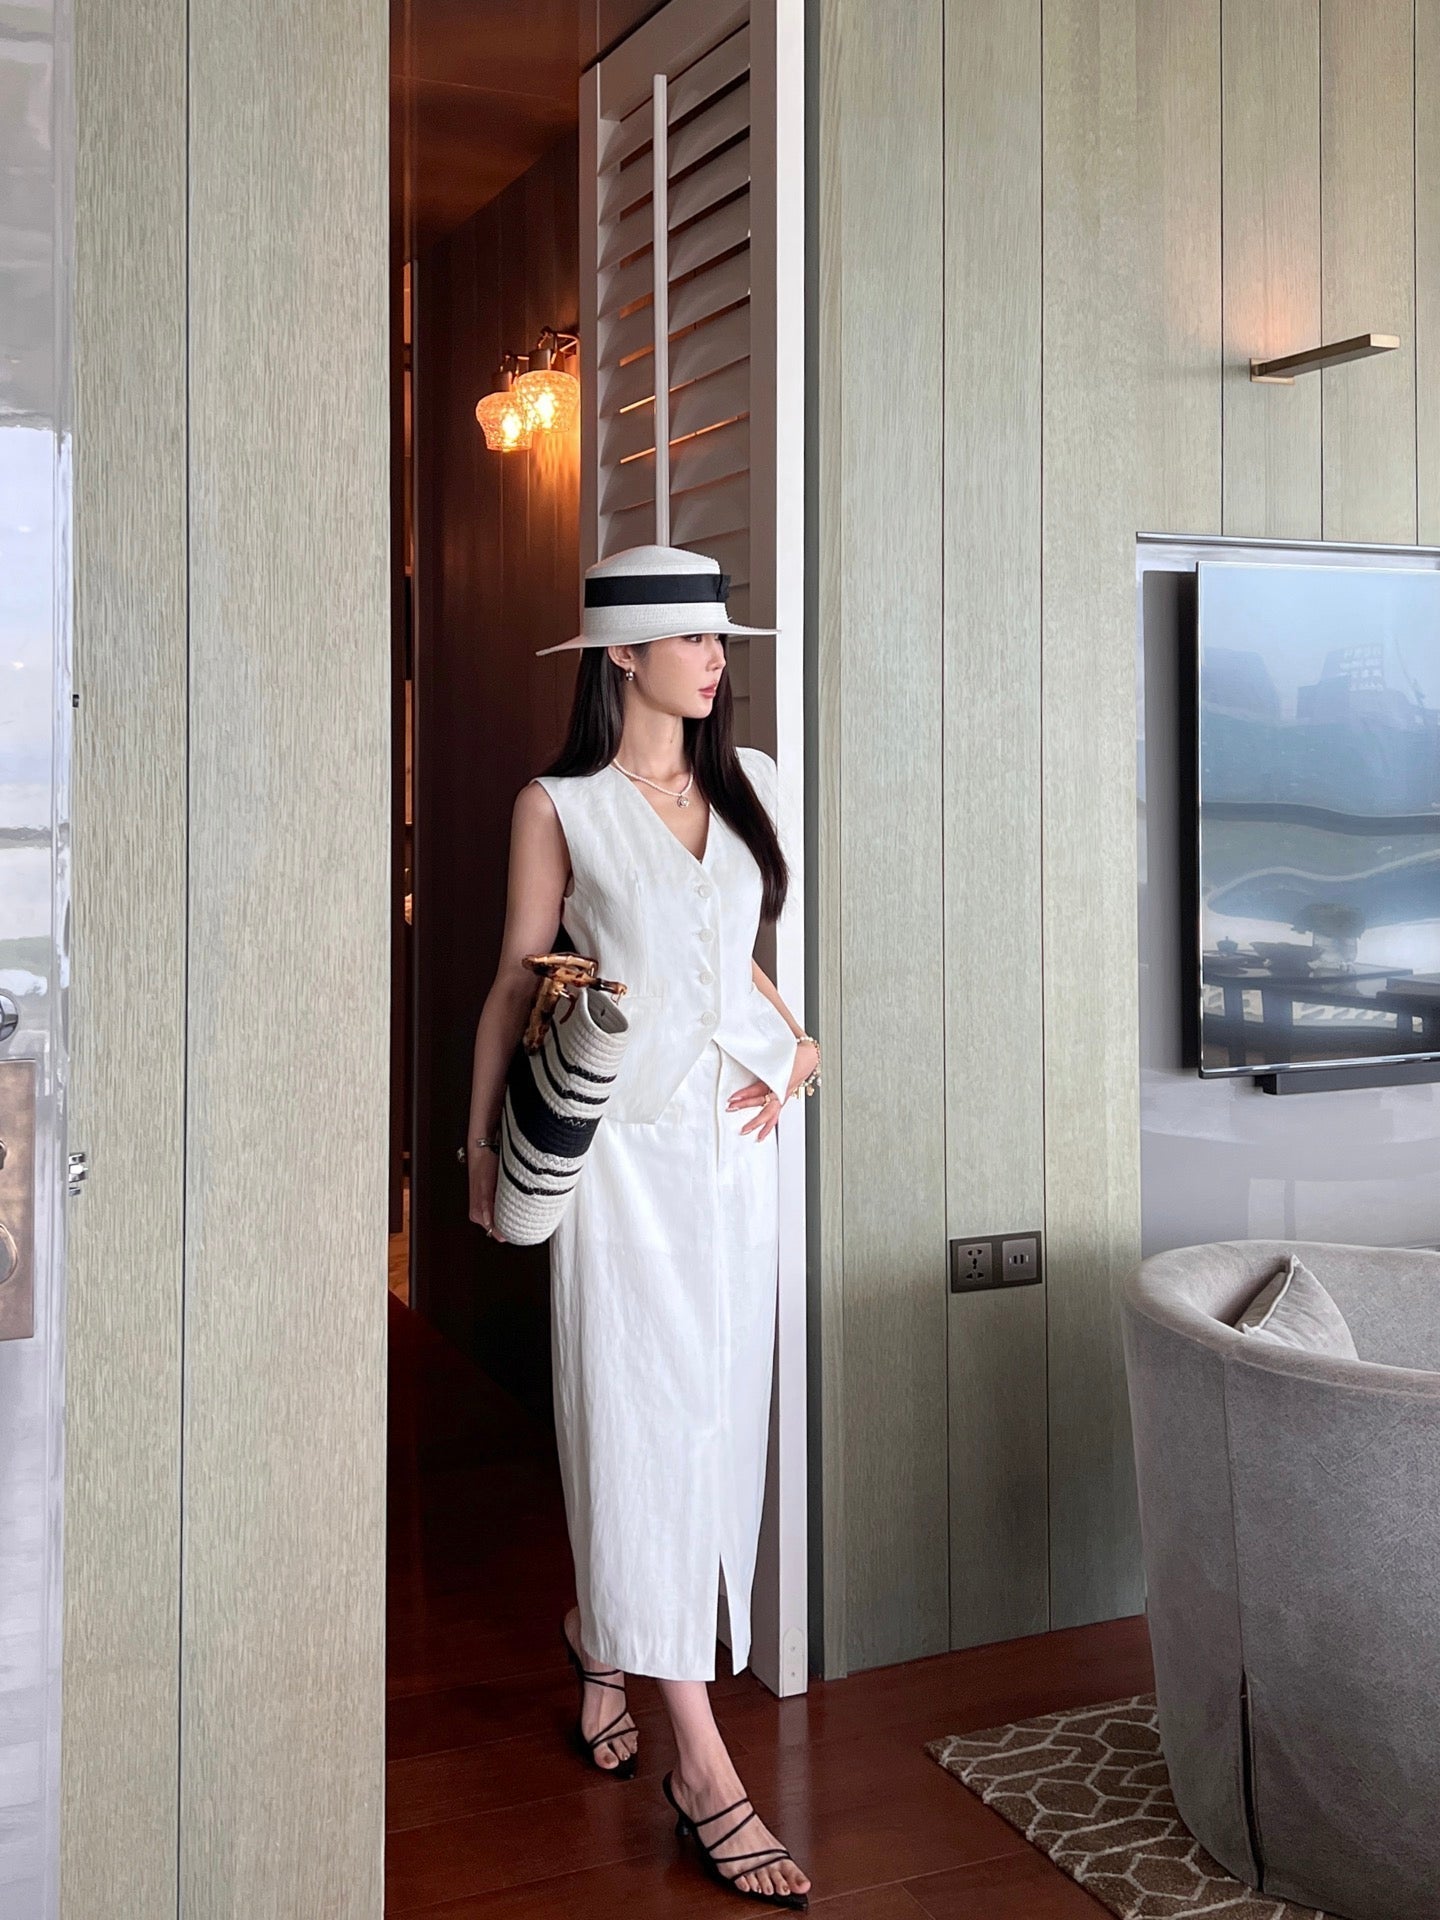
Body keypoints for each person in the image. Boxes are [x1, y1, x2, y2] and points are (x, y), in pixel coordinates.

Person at [466, 544, 820, 1909]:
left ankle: (597, 1633)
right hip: (621, 1163)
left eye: (722, 637)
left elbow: (730, 954)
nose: (717, 658)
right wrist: (483, 1152)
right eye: (691, 637)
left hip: (740, 1153)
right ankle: (705, 1770)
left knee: (716, 1422)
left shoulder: (752, 783)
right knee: (638, 1423)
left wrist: (800, 1039)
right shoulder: (559, 806)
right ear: (621, 655)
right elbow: (520, 983)